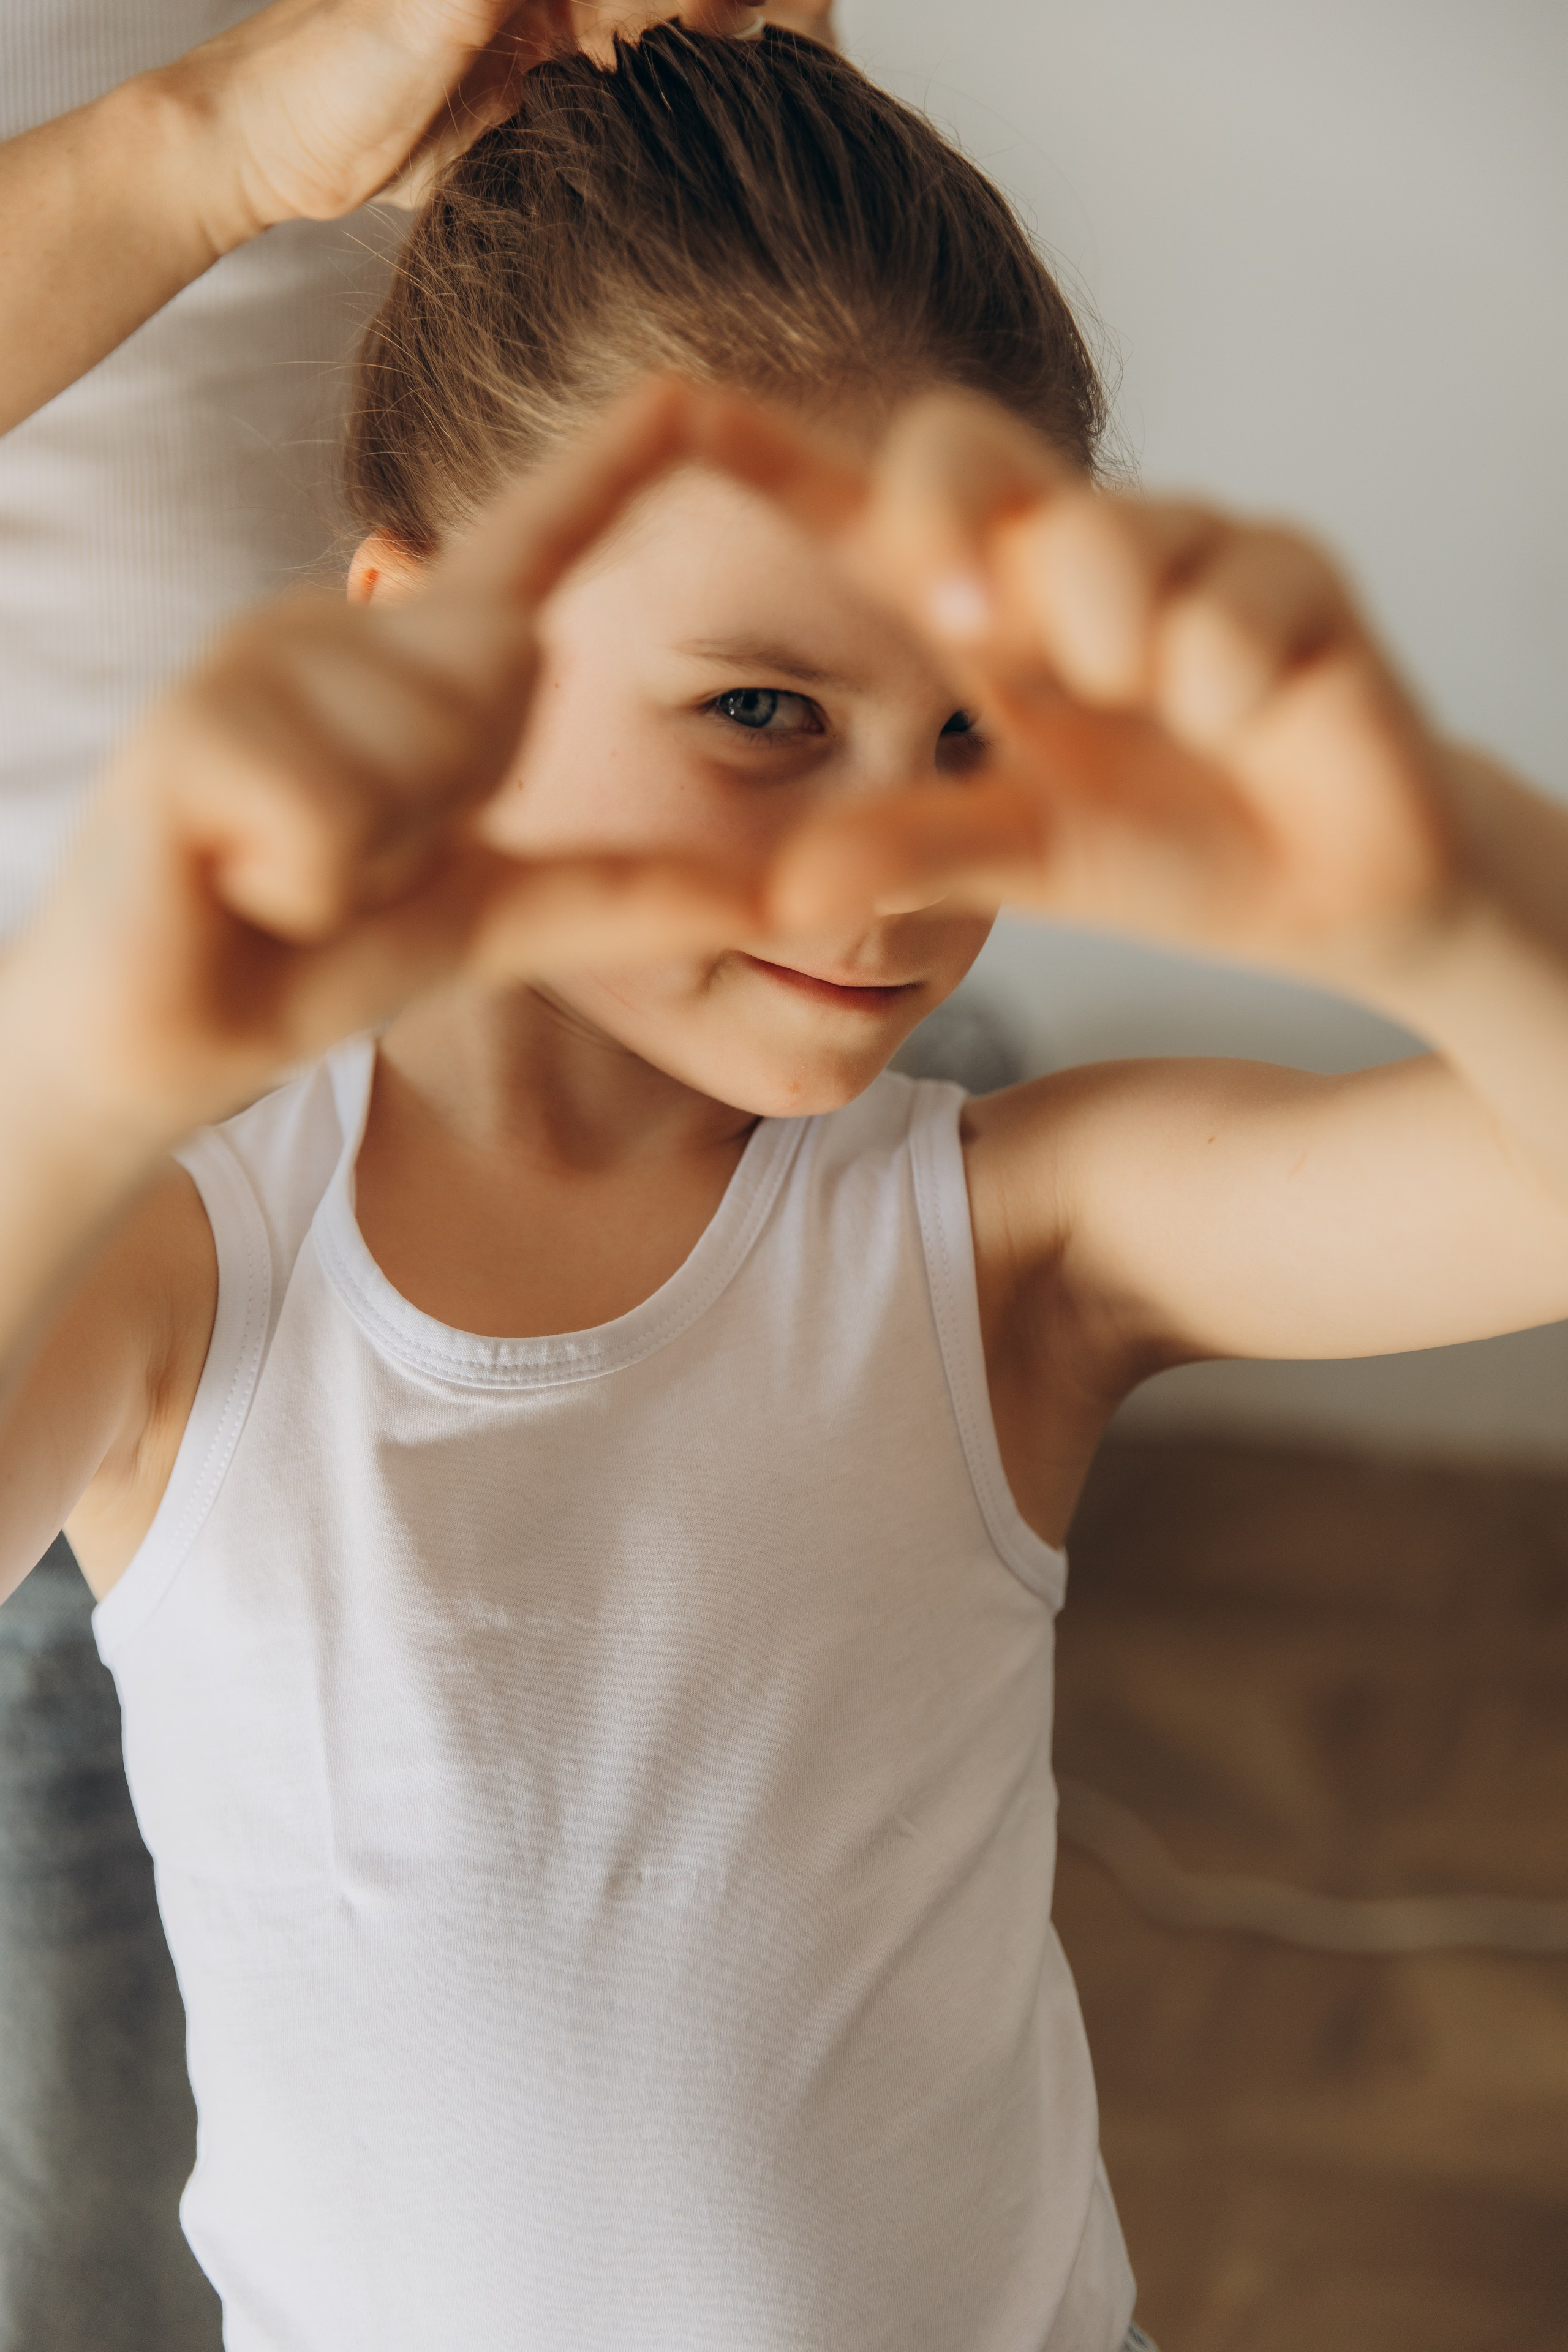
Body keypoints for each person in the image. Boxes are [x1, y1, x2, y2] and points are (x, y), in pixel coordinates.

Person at [4, 23, 1568, 2350]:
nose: (890, 857)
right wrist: (89, 1054)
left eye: (975, 733)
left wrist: (1427, 874)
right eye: (760, 712)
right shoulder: (189, 1265)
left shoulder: (1002, 1243)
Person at [0, 6, 822, 2344]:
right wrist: (206, 146)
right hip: (73, 1184)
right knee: (74, 2184)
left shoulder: (961, 1218)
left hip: (530, 1094)